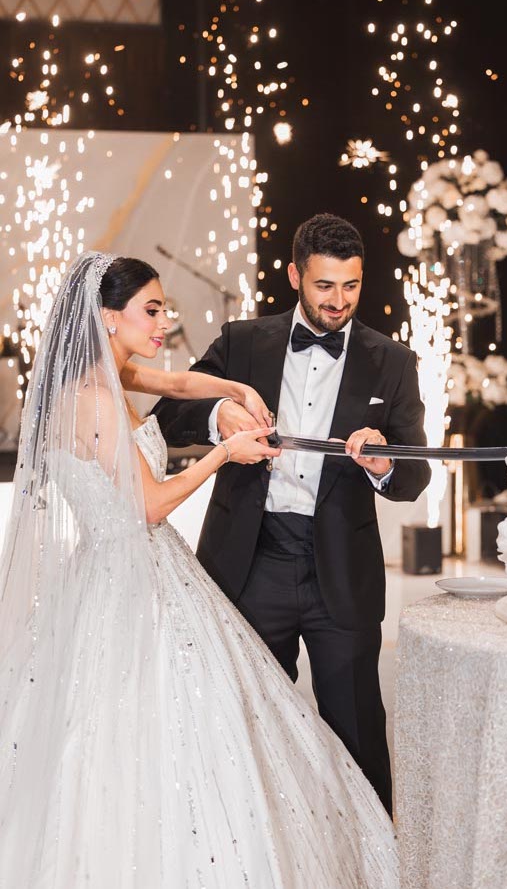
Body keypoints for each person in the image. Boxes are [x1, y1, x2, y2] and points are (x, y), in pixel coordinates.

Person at [0, 251, 398, 888]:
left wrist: (234, 389)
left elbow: (181, 384)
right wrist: (224, 454)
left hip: (146, 572)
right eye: (150, 310)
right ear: (106, 317)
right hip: (124, 578)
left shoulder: (113, 373)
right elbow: (150, 507)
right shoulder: (91, 403)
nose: (163, 323)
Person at [154, 213, 431, 813]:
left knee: (357, 736)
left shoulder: (394, 361)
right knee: (244, 727)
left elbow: (416, 474)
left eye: (351, 286)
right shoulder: (242, 341)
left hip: (341, 576)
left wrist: (382, 465)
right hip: (249, 564)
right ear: (294, 276)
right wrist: (217, 418)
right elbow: (168, 414)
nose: (339, 302)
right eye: (325, 285)